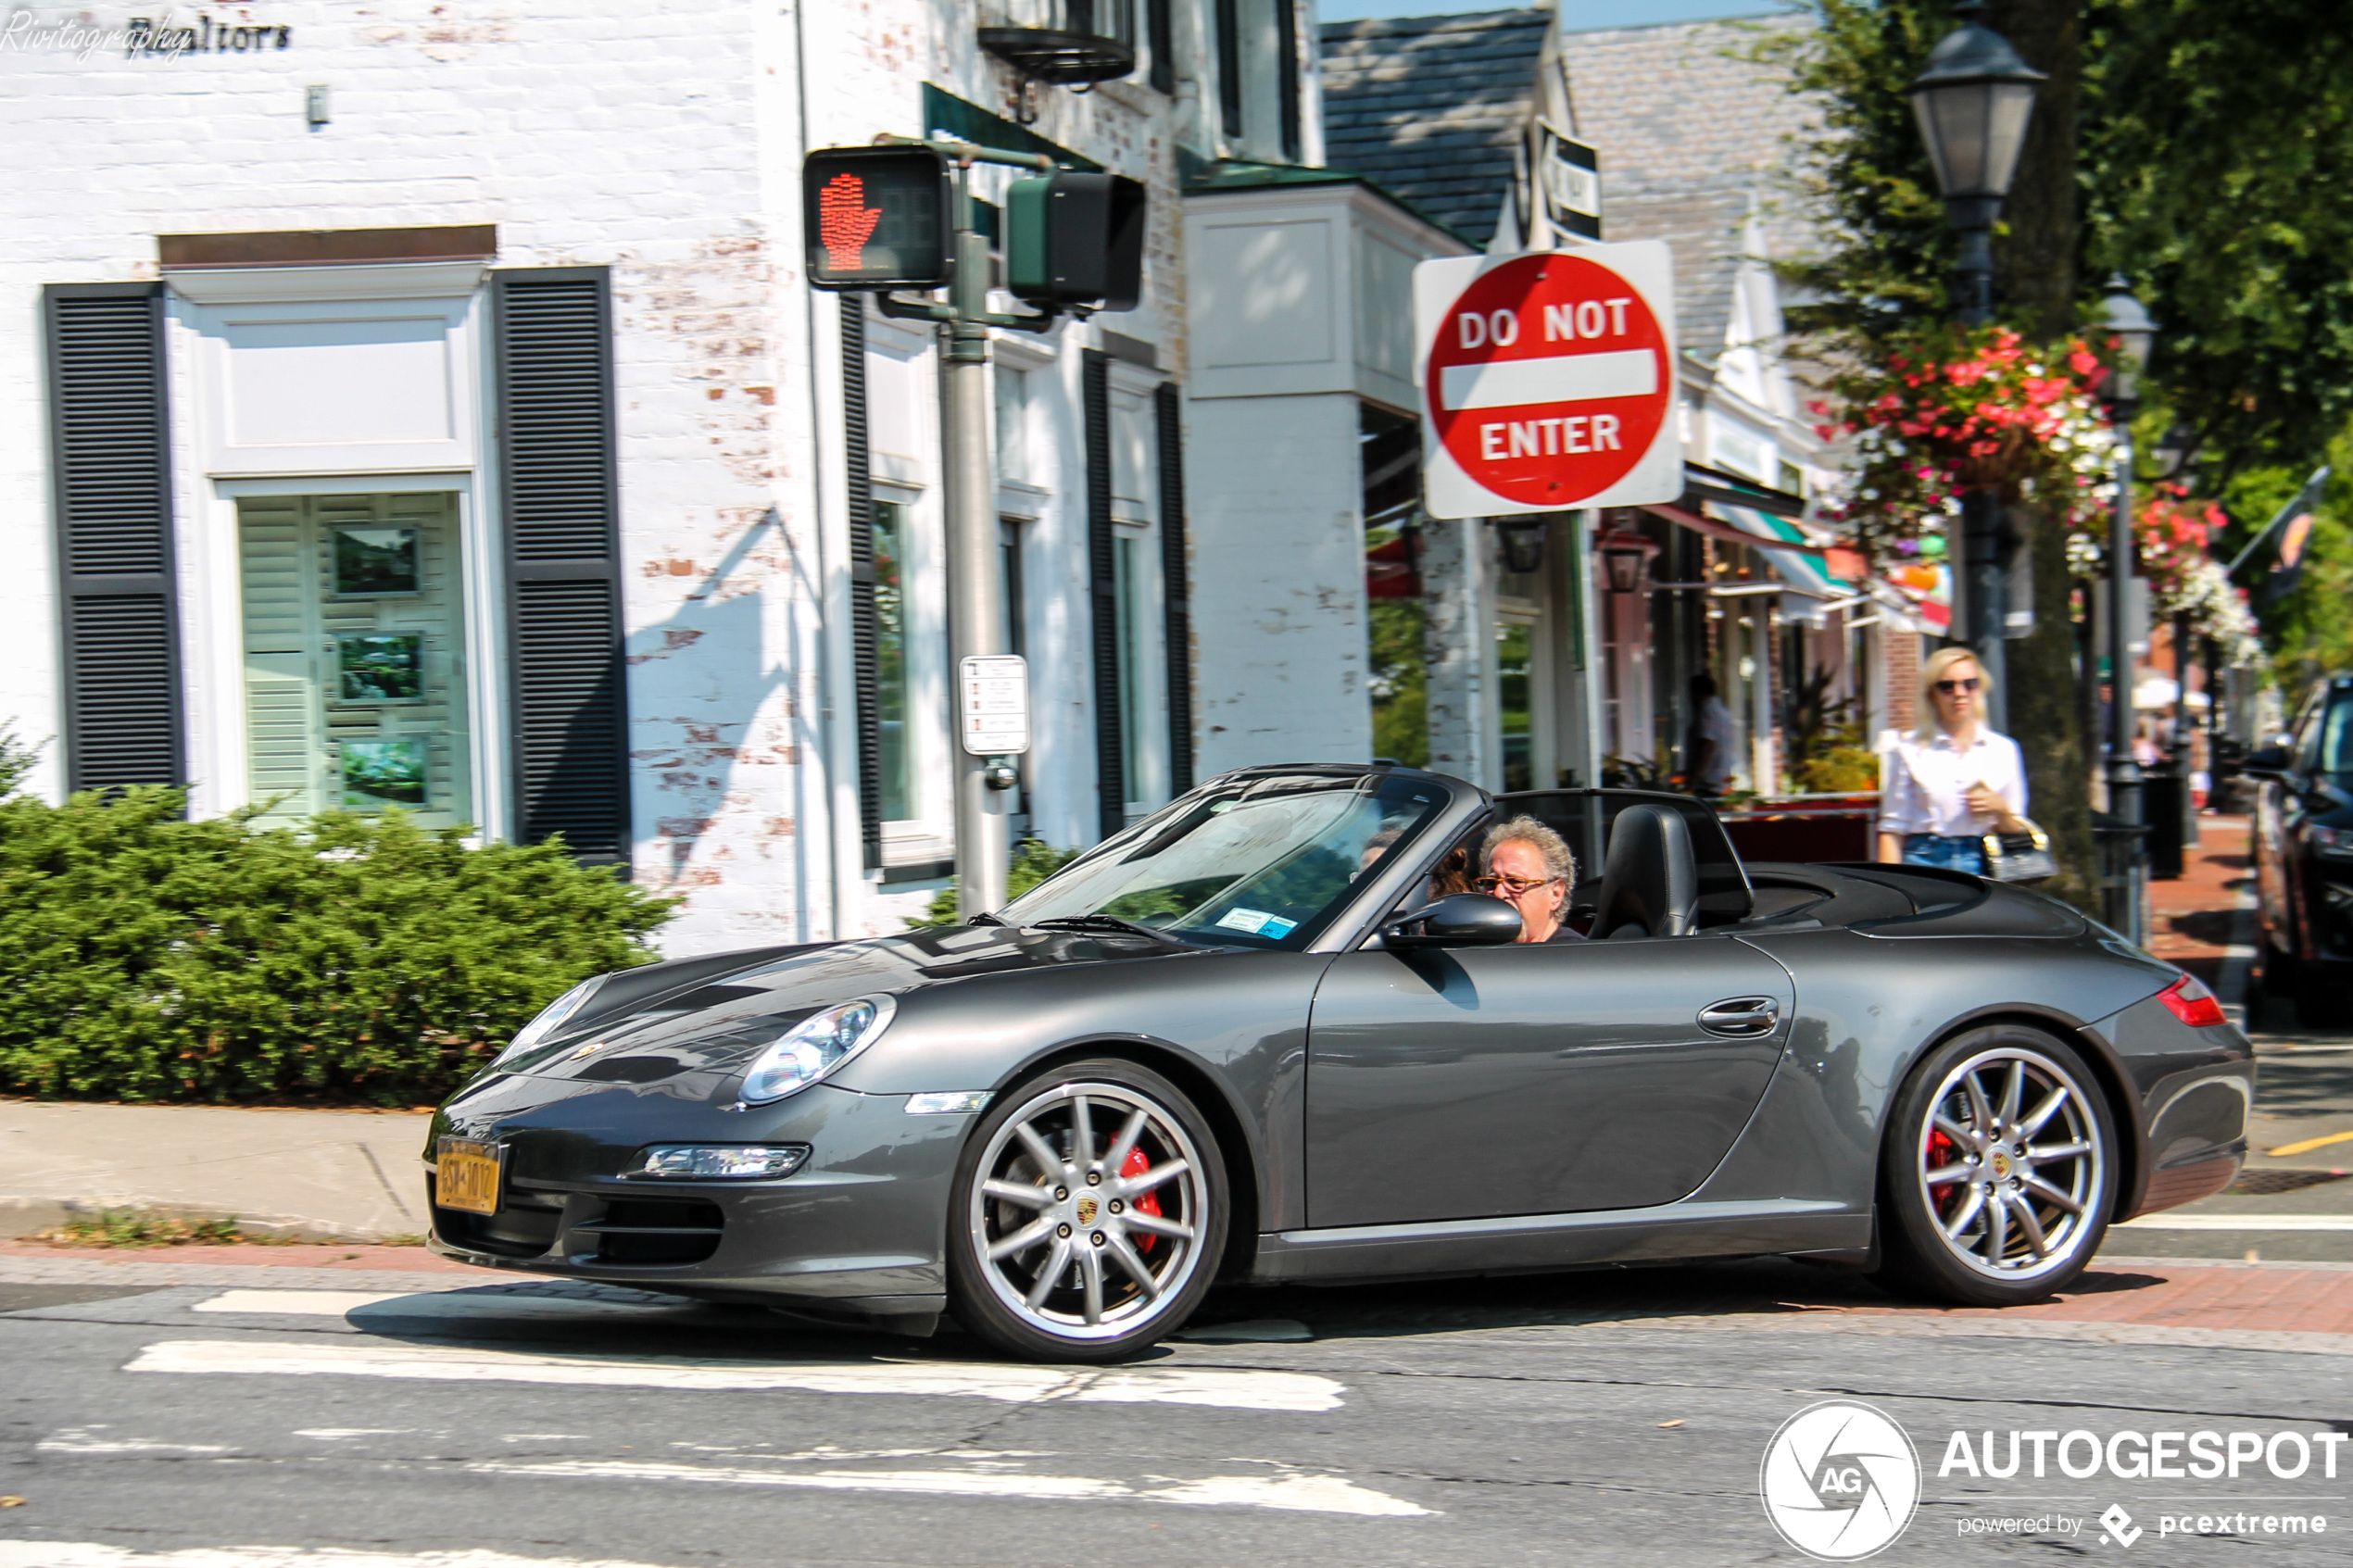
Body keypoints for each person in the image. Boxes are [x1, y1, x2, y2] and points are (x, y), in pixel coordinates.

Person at [1876, 646, 2030, 874]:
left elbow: (2016, 827)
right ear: (1932, 694)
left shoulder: (2003, 749)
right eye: (1947, 686)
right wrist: (1887, 891)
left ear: (1980, 689)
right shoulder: (1910, 750)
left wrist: (2000, 809)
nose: (1960, 693)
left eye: (1970, 684)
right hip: (1924, 860)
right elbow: (1892, 828)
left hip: (1983, 859)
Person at [1475, 815, 1585, 942]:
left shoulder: (1573, 956)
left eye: (1515, 882)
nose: (1498, 893)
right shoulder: (1479, 952)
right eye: (1490, 883)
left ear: (1555, 893)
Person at [1685, 672, 1739, 797]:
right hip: (1722, 781)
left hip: (1707, 783)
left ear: (1698, 692)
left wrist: (1695, 779)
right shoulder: (1724, 712)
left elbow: (1708, 745)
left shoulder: (1707, 710)